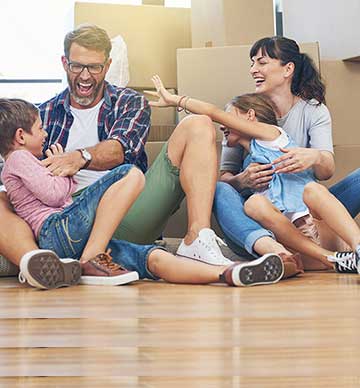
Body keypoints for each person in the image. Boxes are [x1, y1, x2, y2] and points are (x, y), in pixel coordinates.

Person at [0, 24, 284, 288]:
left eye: (95, 67)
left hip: (129, 206)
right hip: (67, 219)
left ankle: (198, 236)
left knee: (198, 124)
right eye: (77, 66)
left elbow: (120, 149)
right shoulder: (44, 114)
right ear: (65, 63)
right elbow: (20, 172)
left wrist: (80, 157)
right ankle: (37, 262)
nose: (85, 76)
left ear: (107, 66)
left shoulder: (129, 102)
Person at [148, 75, 360, 273]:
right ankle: (333, 259)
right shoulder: (249, 161)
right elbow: (228, 186)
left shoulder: (272, 135)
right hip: (297, 244)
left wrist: (176, 100)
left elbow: (213, 113)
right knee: (253, 204)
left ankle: (357, 247)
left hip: (317, 225)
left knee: (313, 190)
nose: (223, 125)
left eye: (229, 116)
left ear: (250, 116)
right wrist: (242, 180)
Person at [213, 36, 360, 274]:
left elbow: (326, 171)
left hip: (310, 207)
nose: (253, 70)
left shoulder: (314, 111)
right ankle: (274, 249)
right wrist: (242, 180)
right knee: (221, 190)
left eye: (261, 62)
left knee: (318, 190)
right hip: (262, 217)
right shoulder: (241, 113)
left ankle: (342, 248)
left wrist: (314, 157)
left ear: (287, 69)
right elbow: (224, 176)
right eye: (252, 63)